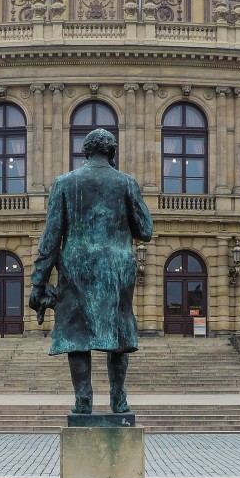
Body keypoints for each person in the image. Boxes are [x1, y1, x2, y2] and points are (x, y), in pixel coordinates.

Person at [30, 129, 153, 414]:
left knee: (77, 335)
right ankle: (119, 399)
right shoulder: (127, 183)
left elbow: (51, 237)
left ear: (85, 152)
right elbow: (146, 230)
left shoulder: (64, 183)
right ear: (112, 153)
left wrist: (38, 281)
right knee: (119, 334)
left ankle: (83, 399)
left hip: (76, 269)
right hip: (117, 267)